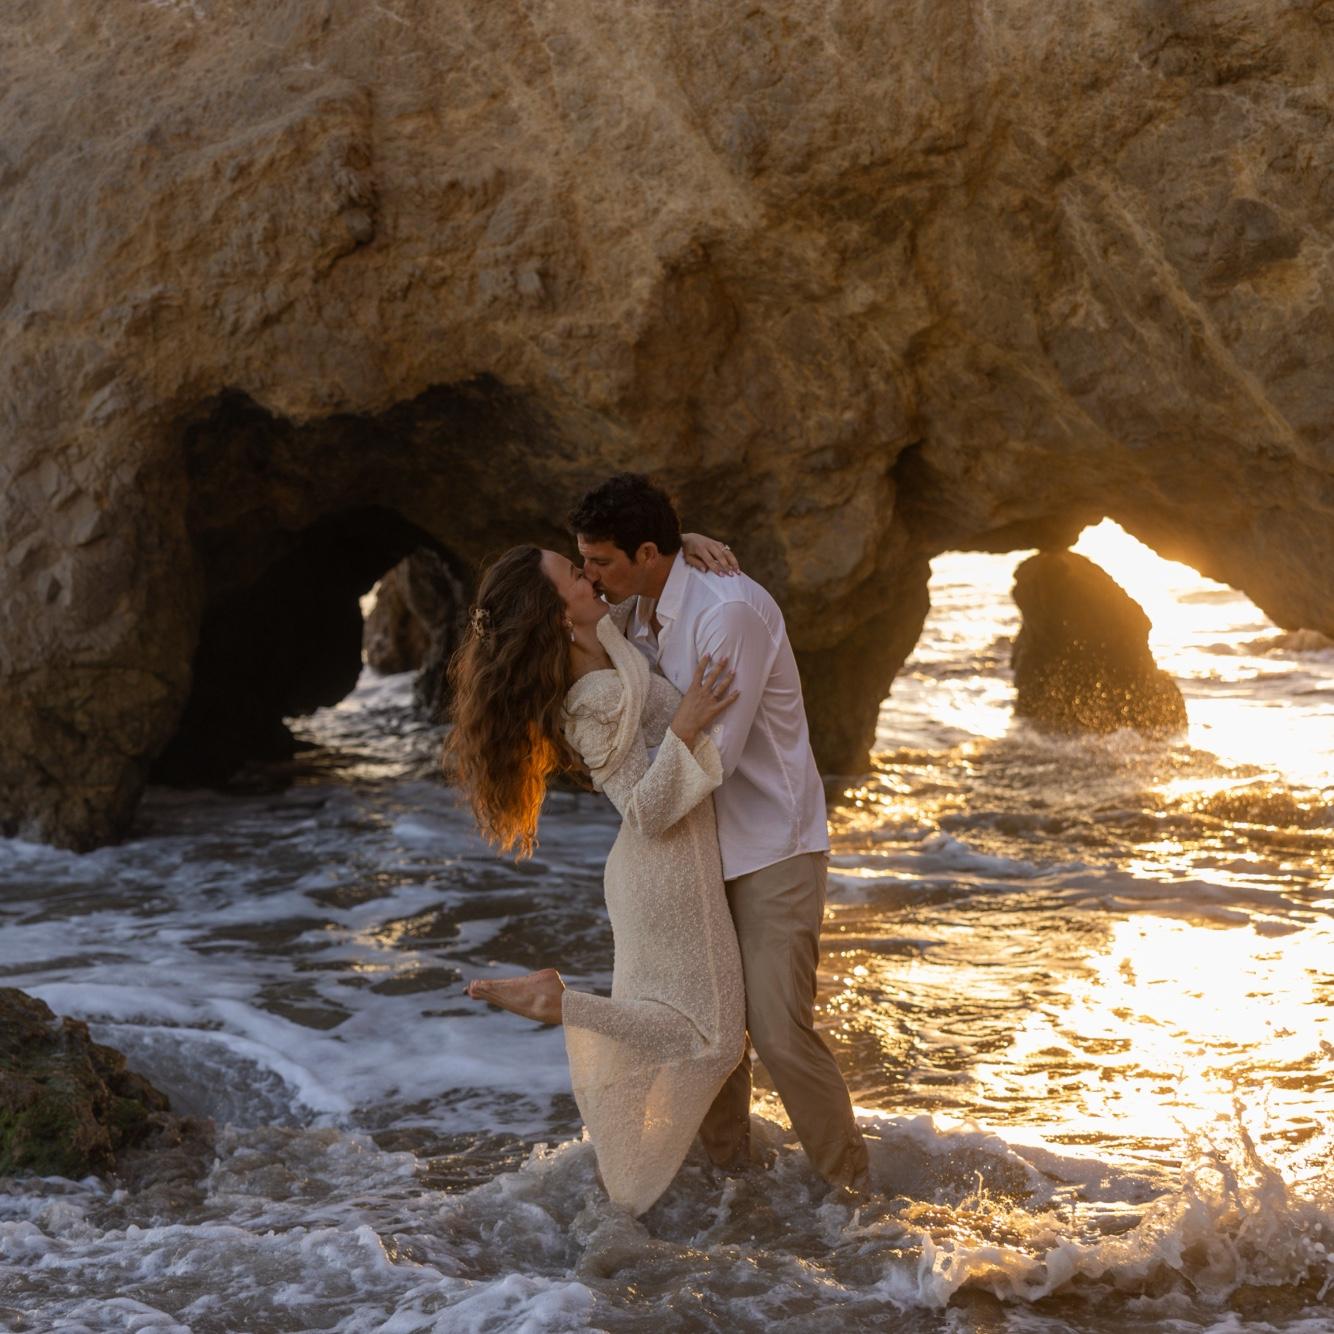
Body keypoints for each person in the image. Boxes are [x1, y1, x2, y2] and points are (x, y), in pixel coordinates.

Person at [570, 474, 869, 1190]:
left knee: (779, 1033)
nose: (590, 576)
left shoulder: (726, 612)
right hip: (695, 854)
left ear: (647, 553)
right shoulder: (634, 611)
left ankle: (853, 1194)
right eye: (584, 562)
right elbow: (571, 624)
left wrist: (656, 752)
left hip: (770, 847)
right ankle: (733, 1187)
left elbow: (714, 758)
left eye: (601, 561)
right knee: (710, 1035)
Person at [451, 537, 746, 1216]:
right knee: (712, 1041)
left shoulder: (601, 643)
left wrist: (678, 543)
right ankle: (558, 1004)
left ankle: (703, 1191)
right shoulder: (592, 698)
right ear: (561, 613)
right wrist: (686, 725)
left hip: (657, 877)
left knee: (673, 1034)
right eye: (574, 574)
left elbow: (638, 588)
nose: (589, 575)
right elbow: (644, 810)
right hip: (668, 873)